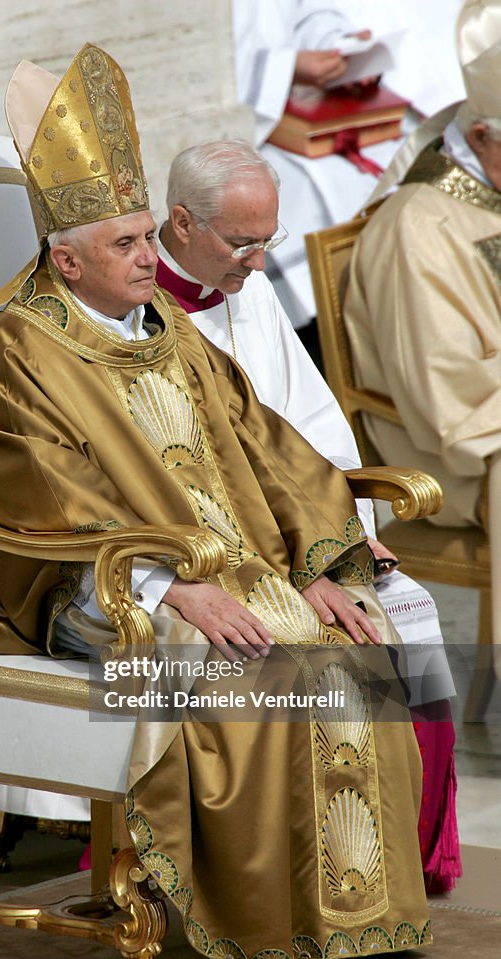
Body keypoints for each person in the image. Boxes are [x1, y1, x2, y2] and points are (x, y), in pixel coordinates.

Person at [0, 44, 431, 959]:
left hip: (229, 570)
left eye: (142, 237)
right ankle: (264, 923)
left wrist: (320, 564)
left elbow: (267, 449)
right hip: (90, 586)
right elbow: (41, 493)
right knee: (243, 671)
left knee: (351, 651)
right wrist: (168, 589)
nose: (146, 260)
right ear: (66, 258)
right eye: (126, 245)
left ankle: (343, 922)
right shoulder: (17, 351)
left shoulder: (162, 328)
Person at [155, 137, 461, 893]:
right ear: (182, 223)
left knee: (408, 611)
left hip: (298, 531)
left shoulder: (244, 286)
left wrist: (350, 537)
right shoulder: (134, 318)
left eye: (268, 241)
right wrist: (301, 566)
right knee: (313, 650)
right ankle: (295, 876)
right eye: (241, 242)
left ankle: (407, 855)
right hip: (215, 554)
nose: (258, 263)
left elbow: (311, 425)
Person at [343, 0, 501, 667]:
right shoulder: (418, 228)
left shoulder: (489, 184)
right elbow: (446, 393)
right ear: (486, 136)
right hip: (446, 444)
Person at [232, 0, 412, 332]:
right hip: (252, 121)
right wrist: (284, 67)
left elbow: (303, 11)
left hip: (300, 103)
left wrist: (336, 44)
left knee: (406, 161)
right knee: (295, 194)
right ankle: (323, 329)